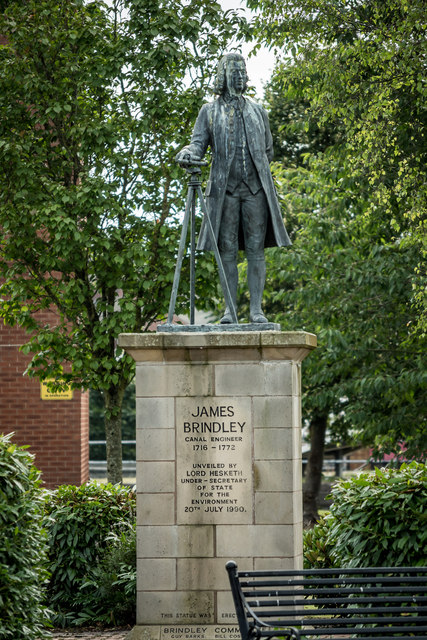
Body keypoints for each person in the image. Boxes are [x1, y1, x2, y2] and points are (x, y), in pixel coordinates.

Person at [176, 52, 291, 324]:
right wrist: (187, 152)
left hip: (255, 191)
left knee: (255, 248)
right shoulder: (209, 111)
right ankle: (230, 311)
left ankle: (256, 310)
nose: (239, 76)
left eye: (242, 72)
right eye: (234, 72)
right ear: (224, 76)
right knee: (226, 249)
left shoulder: (258, 110)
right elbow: (197, 144)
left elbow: (267, 150)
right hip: (224, 191)